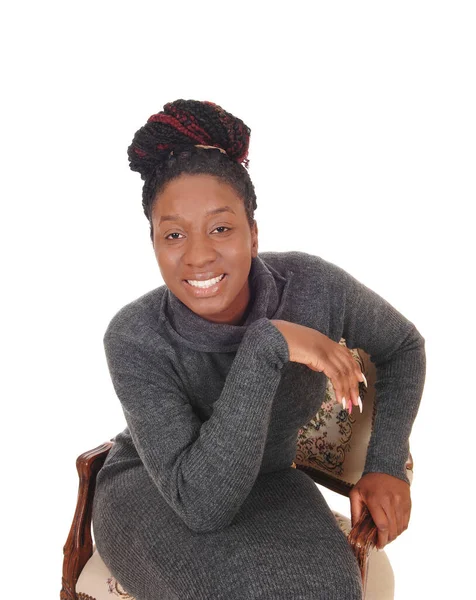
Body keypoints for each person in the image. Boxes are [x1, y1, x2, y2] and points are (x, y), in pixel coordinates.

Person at [92, 99, 426, 600]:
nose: (199, 255)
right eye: (174, 235)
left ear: (253, 233)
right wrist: (269, 343)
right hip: (157, 490)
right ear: (154, 243)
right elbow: (202, 506)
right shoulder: (135, 336)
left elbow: (402, 346)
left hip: (267, 479)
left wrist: (385, 464)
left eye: (222, 228)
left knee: (331, 590)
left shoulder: (313, 286)